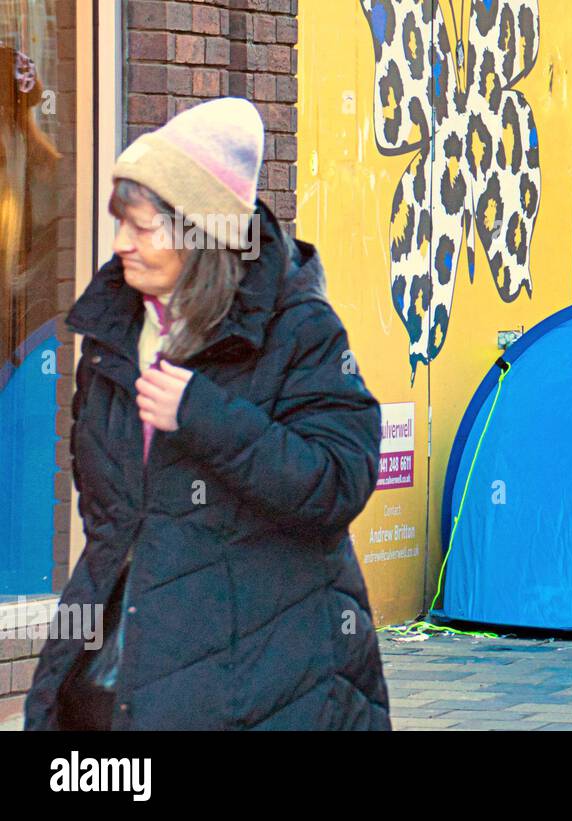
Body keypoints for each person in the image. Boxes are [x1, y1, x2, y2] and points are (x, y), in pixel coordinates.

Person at [24, 97, 392, 730]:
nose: (120, 245)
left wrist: (202, 413)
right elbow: (110, 512)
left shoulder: (298, 329)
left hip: (269, 679)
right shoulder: (113, 332)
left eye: (142, 227)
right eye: (121, 223)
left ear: (201, 234)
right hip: (126, 665)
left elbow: (339, 479)